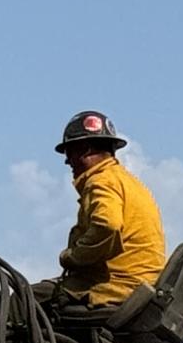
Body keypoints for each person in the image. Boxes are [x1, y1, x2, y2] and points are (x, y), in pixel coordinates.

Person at [42, 108, 164, 314]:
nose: (67, 161)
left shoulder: (101, 181)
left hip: (115, 288)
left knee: (20, 301)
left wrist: (73, 257)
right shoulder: (129, 183)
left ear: (86, 149)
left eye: (70, 152)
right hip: (140, 285)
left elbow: (107, 225)